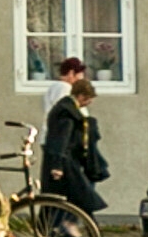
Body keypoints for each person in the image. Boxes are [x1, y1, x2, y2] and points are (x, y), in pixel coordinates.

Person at [40, 58, 110, 218]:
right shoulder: (63, 90)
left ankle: (65, 224)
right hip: (65, 148)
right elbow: (64, 126)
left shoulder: (58, 91)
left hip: (64, 147)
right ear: (71, 73)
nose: (81, 79)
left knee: (71, 188)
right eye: (79, 75)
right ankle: (68, 223)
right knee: (78, 187)